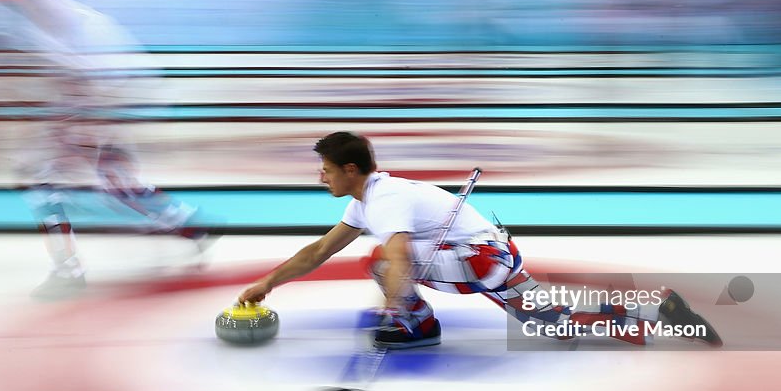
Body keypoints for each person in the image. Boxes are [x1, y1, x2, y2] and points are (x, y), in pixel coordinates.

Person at [238, 131, 722, 349]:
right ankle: (659, 309)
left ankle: (416, 326)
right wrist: (269, 283)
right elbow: (319, 251)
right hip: (488, 257)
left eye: (325, 170)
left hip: (477, 258)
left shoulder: (384, 198)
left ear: (349, 169)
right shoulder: (366, 200)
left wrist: (392, 303)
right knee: (553, 323)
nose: (320, 178)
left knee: (386, 260)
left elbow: (401, 254)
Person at [0, 0, 213, 300]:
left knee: (73, 181)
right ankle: (188, 226)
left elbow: (86, 77)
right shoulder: (38, 12)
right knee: (90, 179)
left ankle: (74, 269)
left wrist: (74, 130)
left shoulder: (39, 9)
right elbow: (68, 78)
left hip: (114, 89)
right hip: (111, 89)